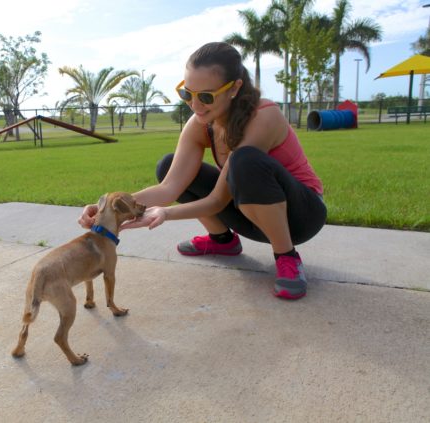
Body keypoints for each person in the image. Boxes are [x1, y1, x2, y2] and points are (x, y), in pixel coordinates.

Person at [78, 42, 327, 300]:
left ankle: (286, 256)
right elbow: (170, 187)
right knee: (167, 165)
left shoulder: (263, 116)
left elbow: (218, 200)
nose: (195, 105)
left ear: (235, 88)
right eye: (187, 94)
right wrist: (107, 208)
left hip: (300, 217)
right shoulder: (200, 124)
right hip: (253, 214)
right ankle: (222, 241)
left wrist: (165, 213)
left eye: (206, 96)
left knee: (245, 160)